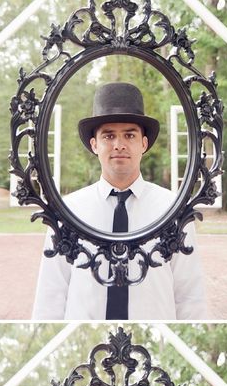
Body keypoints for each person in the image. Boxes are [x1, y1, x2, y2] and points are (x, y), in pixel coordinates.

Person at [32, 82, 207, 320]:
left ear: (144, 143)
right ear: (94, 145)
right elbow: (50, 294)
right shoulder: (67, 210)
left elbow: (189, 294)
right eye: (109, 135)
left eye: (129, 135)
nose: (119, 145)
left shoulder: (174, 208)